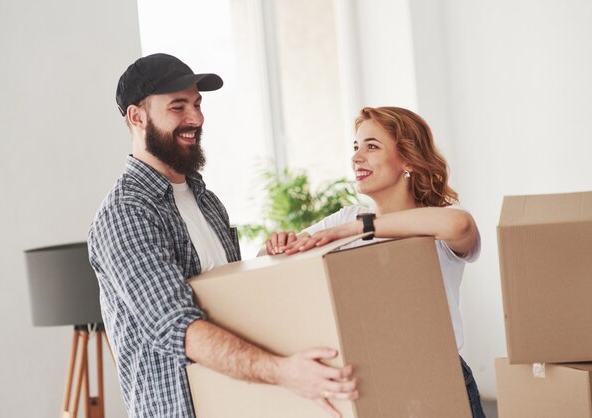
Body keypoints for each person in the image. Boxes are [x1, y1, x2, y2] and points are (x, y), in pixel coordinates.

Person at [87, 53, 358, 418]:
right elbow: (177, 328)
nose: (196, 119)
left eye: (197, 104)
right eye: (178, 107)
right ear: (137, 117)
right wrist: (282, 372)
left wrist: (266, 261)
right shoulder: (126, 214)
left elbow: (224, 302)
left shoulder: (206, 201)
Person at [264, 106, 486, 418]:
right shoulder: (346, 217)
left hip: (437, 376)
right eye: (355, 147)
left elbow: (460, 226)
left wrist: (361, 228)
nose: (356, 158)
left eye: (371, 146)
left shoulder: (434, 223)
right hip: (371, 380)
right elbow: (267, 261)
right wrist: (278, 245)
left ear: (407, 159)